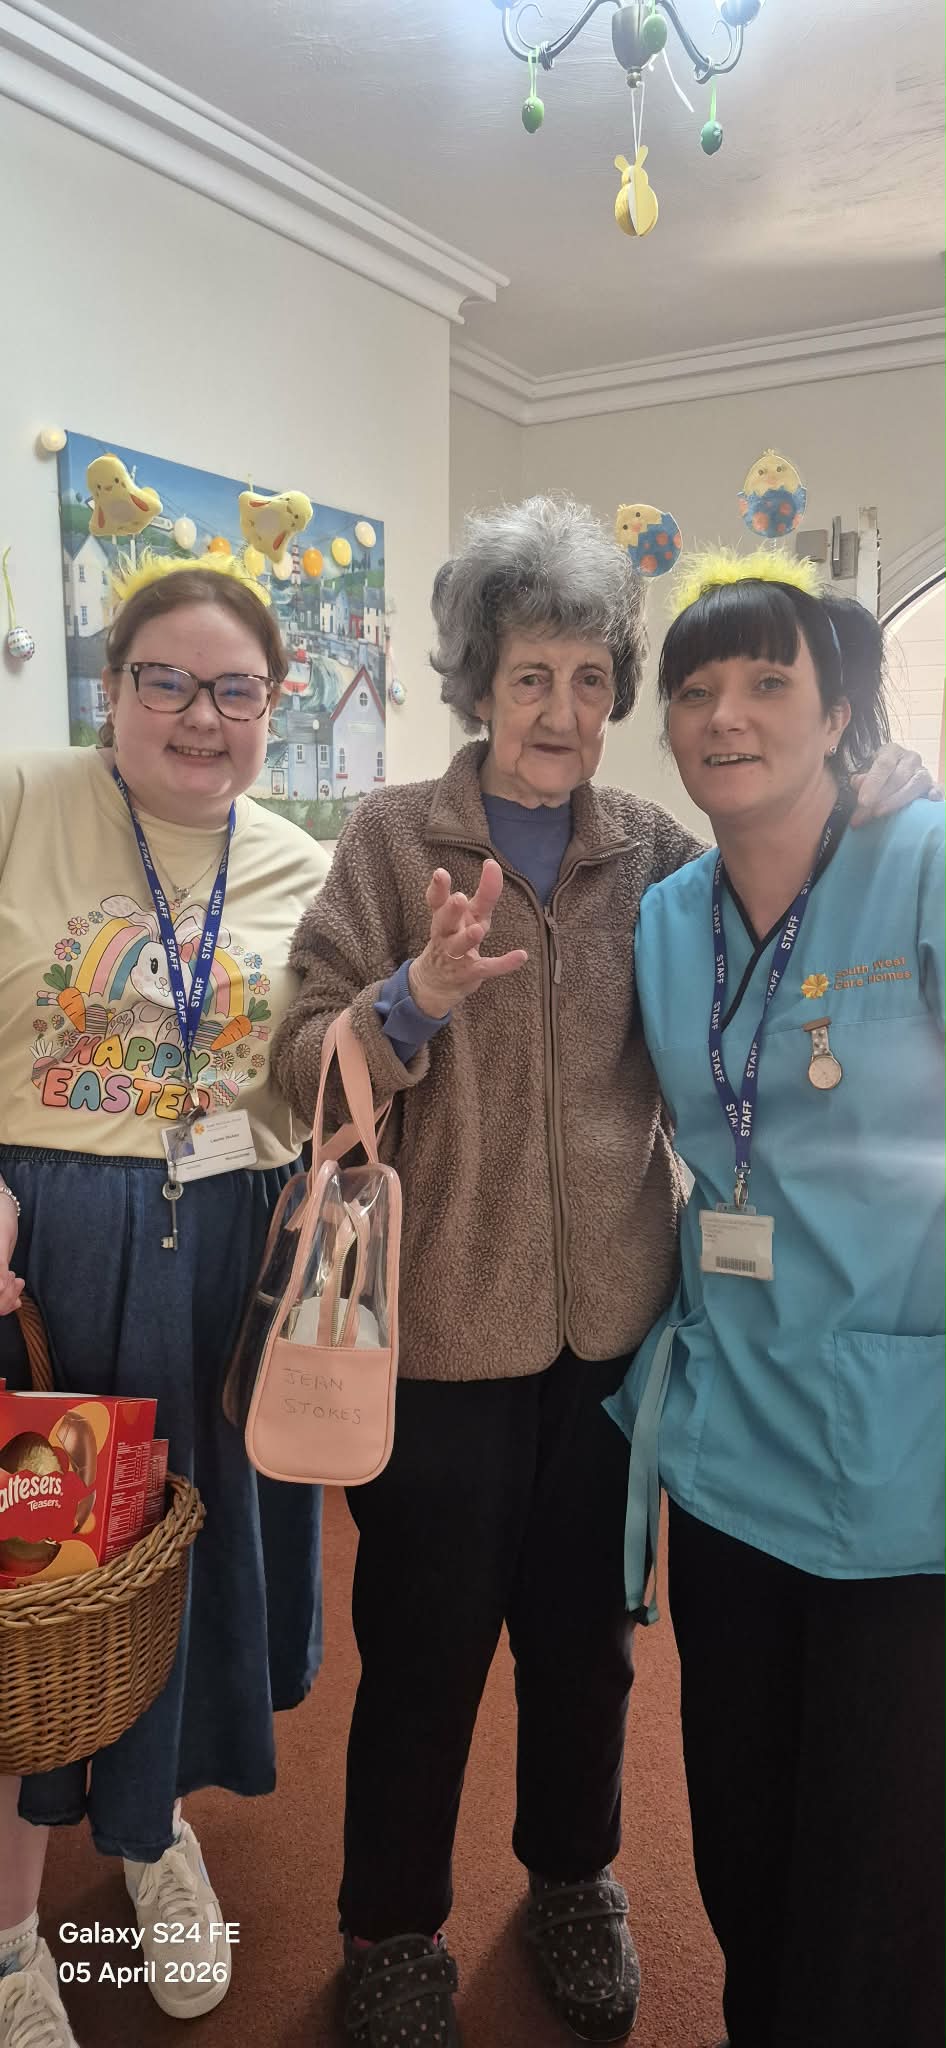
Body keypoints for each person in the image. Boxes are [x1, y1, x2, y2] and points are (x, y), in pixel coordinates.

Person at [270, 498, 933, 2048]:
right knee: (422, 1658)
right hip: (434, 1334)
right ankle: (388, 1927)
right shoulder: (388, 840)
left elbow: (789, 909)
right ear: (474, 688)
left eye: (585, 677)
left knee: (587, 1651)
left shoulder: (653, 854)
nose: (559, 712)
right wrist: (411, 1000)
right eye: (525, 678)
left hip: (621, 1345)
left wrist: (877, 789)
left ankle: (571, 1879)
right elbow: (295, 1071)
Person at [606, 550, 946, 2048]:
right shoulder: (667, 917)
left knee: (881, 1845)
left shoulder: (923, 860)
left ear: (840, 713)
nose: (723, 716)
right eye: (693, 692)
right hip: (731, 1430)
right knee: (738, 1810)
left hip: (907, 1446)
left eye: (764, 683)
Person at [0, 553, 328, 2048]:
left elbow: (326, 1072)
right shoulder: (25, 799)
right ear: (110, 689)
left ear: (274, 703)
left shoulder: (301, 864)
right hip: (46, 1258)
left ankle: (147, 1841)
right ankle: (13, 1932)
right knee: (35, 1591)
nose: (201, 716)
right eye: (166, 682)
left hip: (228, 1264)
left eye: (234, 689)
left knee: (176, 1574)